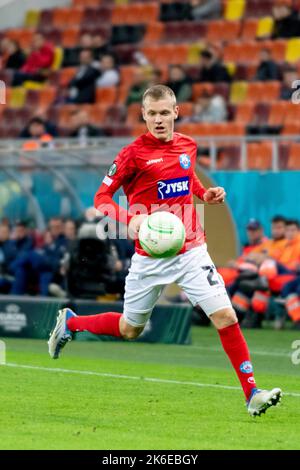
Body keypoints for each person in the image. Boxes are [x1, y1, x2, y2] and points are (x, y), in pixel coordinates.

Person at [48, 85, 282, 417]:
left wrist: (206, 194)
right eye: (152, 114)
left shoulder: (188, 145)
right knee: (130, 329)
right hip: (150, 257)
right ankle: (72, 323)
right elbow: (101, 200)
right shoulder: (132, 154)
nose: (158, 120)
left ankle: (252, 393)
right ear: (143, 115)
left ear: (176, 111)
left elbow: (188, 184)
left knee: (226, 317)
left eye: (164, 112)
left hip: (191, 252)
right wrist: (131, 220)